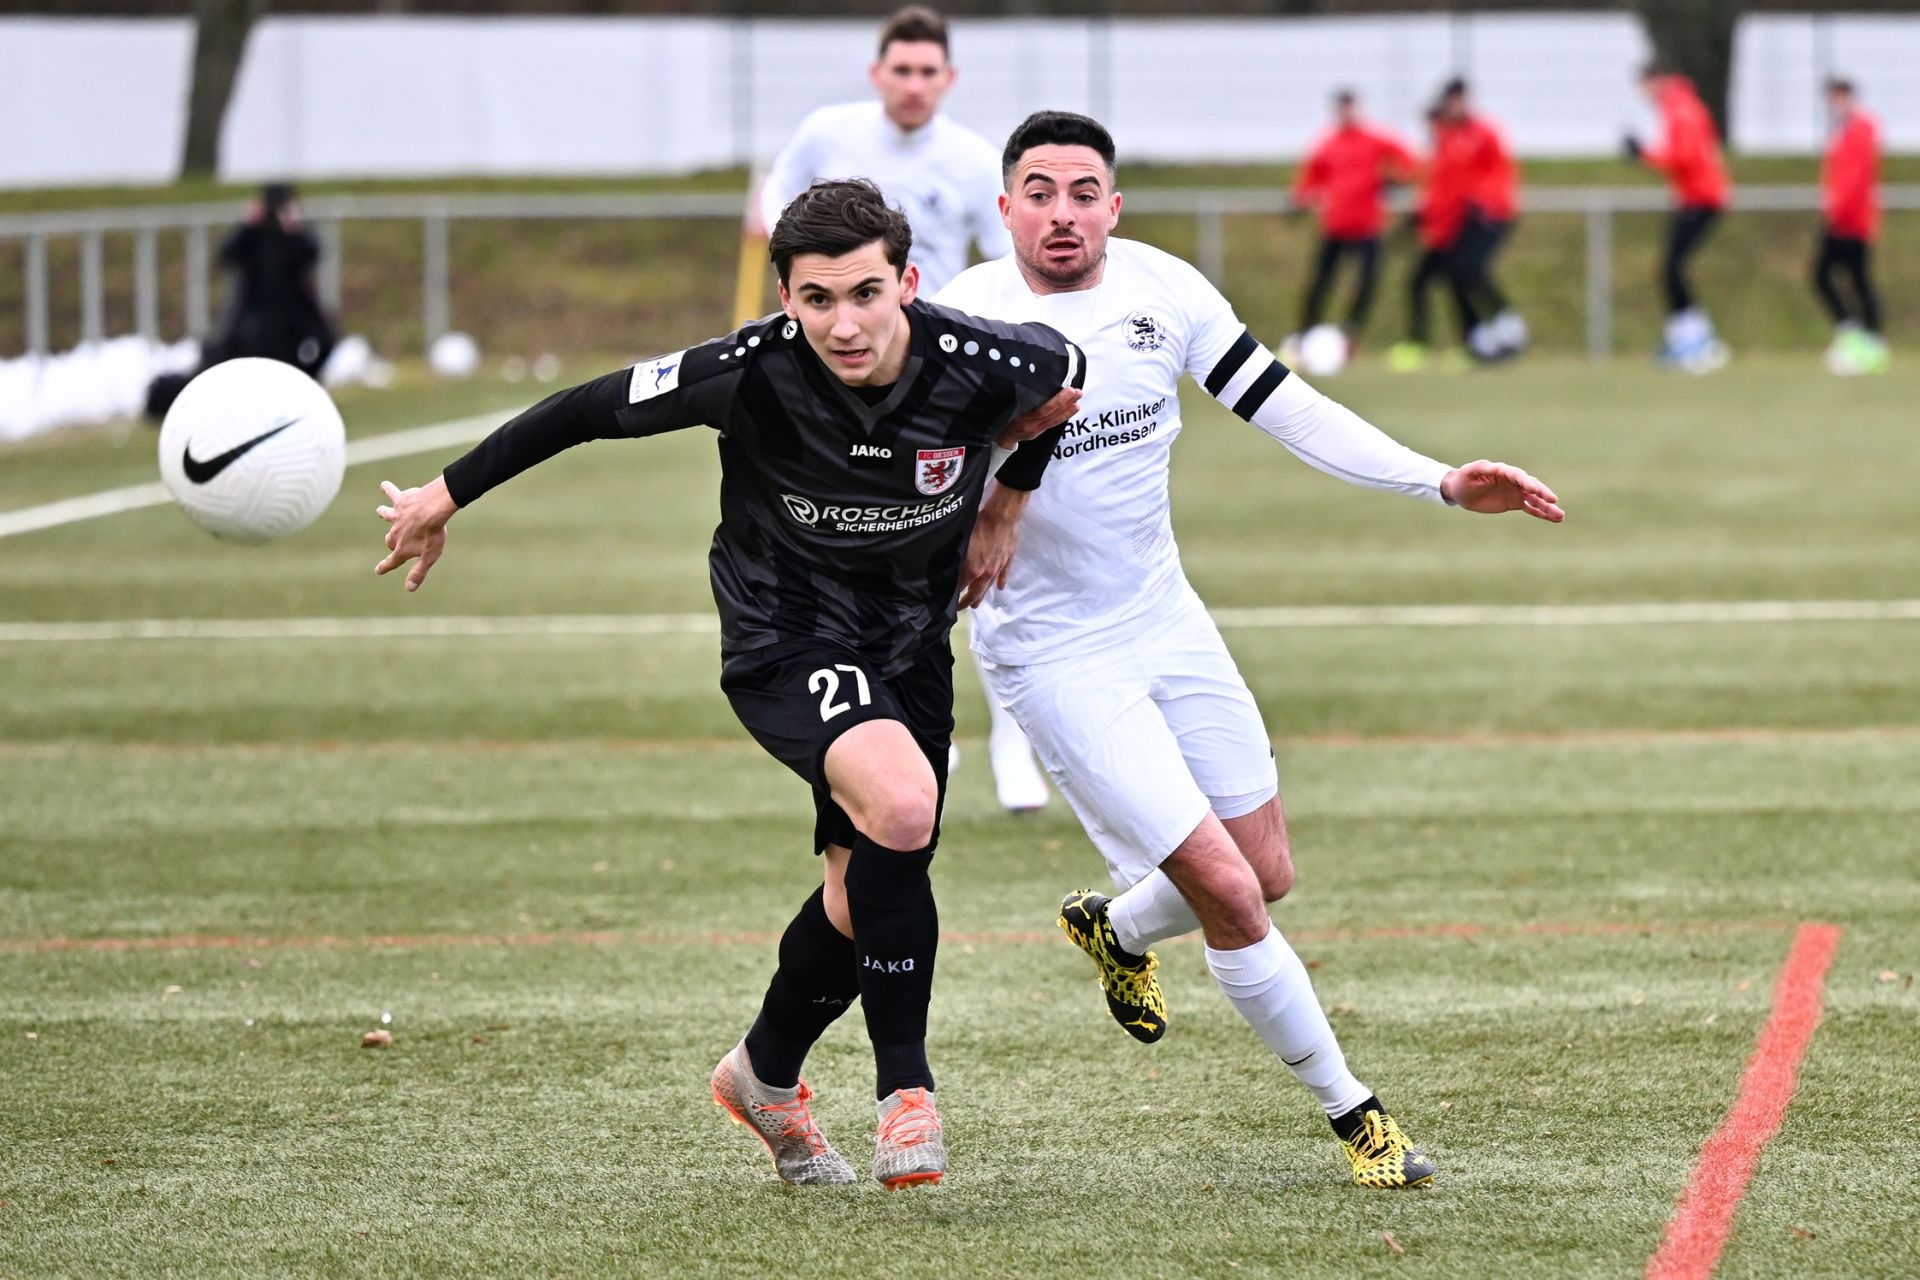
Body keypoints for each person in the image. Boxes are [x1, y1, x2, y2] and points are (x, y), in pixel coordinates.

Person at [373, 178, 1086, 1190]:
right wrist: (443, 496)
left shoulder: (982, 360)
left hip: (911, 641)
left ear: (908, 283)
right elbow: (585, 409)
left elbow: (1068, 376)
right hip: (784, 634)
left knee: (863, 886)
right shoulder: (749, 369)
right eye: (817, 299)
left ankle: (764, 1073)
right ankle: (906, 1092)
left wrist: (1007, 499)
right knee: (903, 804)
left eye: (866, 294)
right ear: (785, 297)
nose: (845, 324)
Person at [937, 111, 1564, 1189]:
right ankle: (1358, 1117)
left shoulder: (1166, 290)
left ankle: (1114, 927)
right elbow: (910, 478)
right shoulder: (963, 320)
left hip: (1166, 618)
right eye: (1038, 193)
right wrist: (983, 515)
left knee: (1268, 872)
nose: (1061, 214)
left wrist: (1439, 481)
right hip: (1051, 653)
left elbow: (1292, 409)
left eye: (1083, 193)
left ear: (1114, 207)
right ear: (1006, 209)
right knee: (1230, 889)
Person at [755, 5, 1051, 815]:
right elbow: (776, 206)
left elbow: (1009, 265)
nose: (914, 85)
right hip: (850, 389)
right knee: (878, 561)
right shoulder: (827, 133)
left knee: (986, 564)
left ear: (947, 80)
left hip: (950, 392)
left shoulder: (972, 159)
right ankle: (912, 731)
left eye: (928, 72)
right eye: (902, 69)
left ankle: (1013, 745)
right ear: (876, 73)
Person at [145, 183, 336, 421]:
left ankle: (303, 390)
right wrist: (248, 223)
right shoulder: (252, 236)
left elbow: (314, 251)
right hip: (251, 316)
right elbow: (226, 254)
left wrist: (293, 227)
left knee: (324, 341)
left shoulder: (294, 237)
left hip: (292, 314)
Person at [1284, 89, 1418, 358]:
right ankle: (1304, 335)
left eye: (1351, 107)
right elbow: (1312, 176)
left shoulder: (1376, 139)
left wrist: (1394, 177)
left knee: (1367, 283)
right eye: (1343, 108)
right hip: (1336, 225)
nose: (1347, 113)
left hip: (1367, 226)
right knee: (1320, 283)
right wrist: (1298, 199)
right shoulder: (1329, 143)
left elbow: (1408, 161)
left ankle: (1349, 335)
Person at [1626, 65, 1732, 372]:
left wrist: (1642, 153)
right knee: (1672, 268)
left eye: (1645, 87)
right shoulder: (1679, 106)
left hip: (1702, 197)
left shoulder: (1681, 109)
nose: (1644, 95)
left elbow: (1682, 157)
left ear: (1656, 81)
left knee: (1672, 268)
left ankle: (1698, 341)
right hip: (1695, 196)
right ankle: (1691, 337)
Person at [1434, 79, 1525, 362]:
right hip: (1461, 218)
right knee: (1456, 274)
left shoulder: (1485, 132)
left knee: (1471, 267)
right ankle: (1476, 338)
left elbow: (1500, 172)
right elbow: (1445, 183)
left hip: (1490, 212)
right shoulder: (1448, 137)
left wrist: (1485, 200)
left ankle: (1508, 324)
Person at [1388, 108, 1477, 373]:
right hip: (1439, 237)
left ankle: (1467, 344)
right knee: (1423, 285)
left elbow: (1454, 197)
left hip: (1452, 237)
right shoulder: (1437, 154)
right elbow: (1427, 190)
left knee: (1454, 289)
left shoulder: (1454, 153)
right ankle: (1428, 343)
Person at [1813, 77, 1888, 376]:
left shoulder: (1861, 128)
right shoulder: (1842, 131)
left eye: (1839, 97)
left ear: (1849, 97)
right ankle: (1854, 334)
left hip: (1854, 220)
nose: (1834, 104)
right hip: (1841, 217)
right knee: (1824, 276)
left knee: (1857, 279)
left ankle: (1871, 342)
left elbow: (1857, 177)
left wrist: (1837, 207)